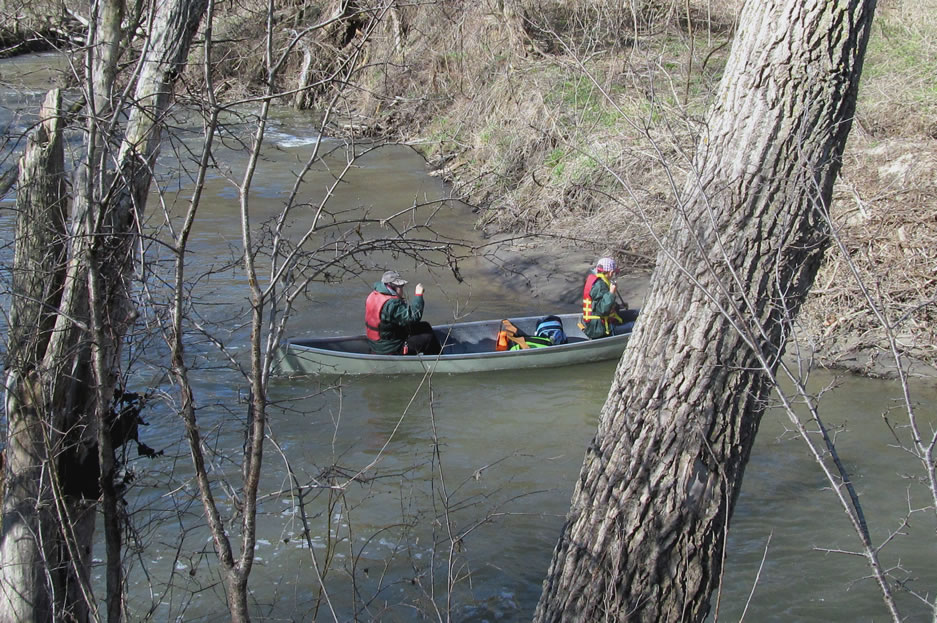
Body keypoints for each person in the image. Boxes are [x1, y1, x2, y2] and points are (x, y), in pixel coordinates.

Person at [365, 270, 442, 355]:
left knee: (425, 326)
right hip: (390, 348)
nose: (402, 289)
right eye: (401, 286)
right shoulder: (391, 304)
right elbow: (413, 317)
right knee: (428, 338)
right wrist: (418, 296)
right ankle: (439, 362)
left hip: (378, 344)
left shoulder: (374, 295)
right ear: (393, 287)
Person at [580, 257, 638, 339]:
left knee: (638, 313)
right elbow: (602, 310)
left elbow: (598, 305)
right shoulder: (599, 285)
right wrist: (611, 293)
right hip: (600, 329)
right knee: (638, 325)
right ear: (611, 272)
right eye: (614, 272)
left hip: (602, 322)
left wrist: (618, 306)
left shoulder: (599, 280)